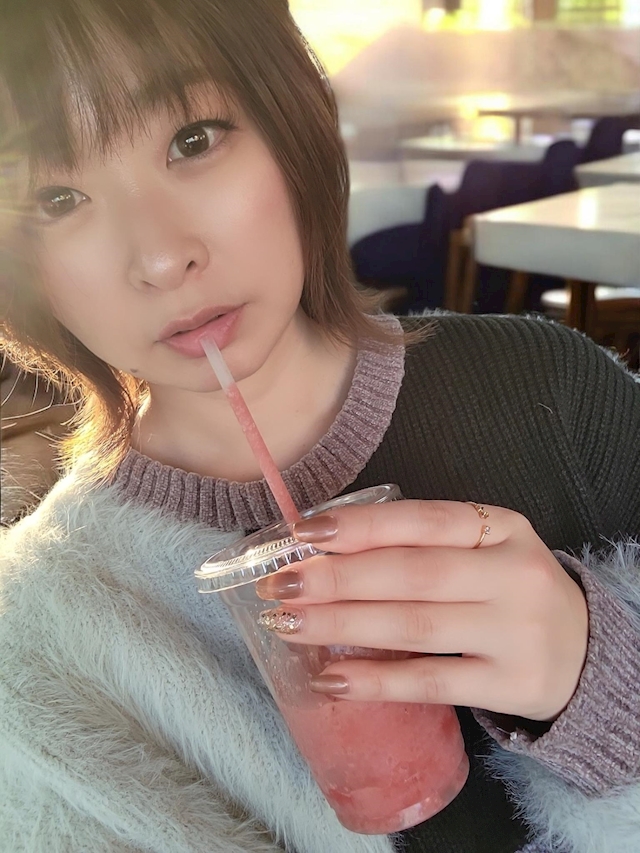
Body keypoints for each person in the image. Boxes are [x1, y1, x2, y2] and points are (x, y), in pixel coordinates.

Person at [0, 2, 639, 852]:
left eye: (193, 139)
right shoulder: (35, 645)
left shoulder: (553, 390)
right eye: (56, 198)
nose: (161, 257)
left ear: (287, 120)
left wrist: (607, 695)